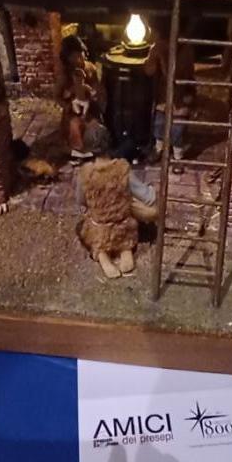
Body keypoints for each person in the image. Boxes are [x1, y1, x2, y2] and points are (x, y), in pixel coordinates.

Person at [76, 125, 158, 280]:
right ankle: (125, 252)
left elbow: (80, 200)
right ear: (109, 142)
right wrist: (151, 190)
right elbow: (147, 196)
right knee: (138, 219)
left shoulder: (85, 173)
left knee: (89, 230)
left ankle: (103, 256)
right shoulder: (122, 168)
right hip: (122, 226)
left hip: (99, 227)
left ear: (89, 149)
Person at [144, 18, 196, 163]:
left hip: (181, 92)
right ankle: (159, 147)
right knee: (159, 123)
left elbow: (182, 73)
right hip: (164, 94)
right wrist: (154, 56)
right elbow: (149, 70)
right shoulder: (158, 48)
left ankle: (178, 154)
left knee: (177, 128)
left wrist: (162, 57)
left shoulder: (185, 49)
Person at [56, 34, 106, 163]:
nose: (78, 59)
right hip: (72, 111)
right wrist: (68, 104)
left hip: (89, 108)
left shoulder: (90, 68)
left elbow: (97, 89)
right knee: (75, 126)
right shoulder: (64, 74)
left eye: (80, 55)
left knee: (95, 129)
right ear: (67, 58)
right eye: (74, 57)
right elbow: (57, 96)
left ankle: (91, 149)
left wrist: (94, 95)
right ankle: (77, 150)